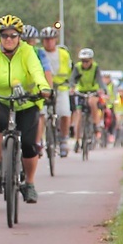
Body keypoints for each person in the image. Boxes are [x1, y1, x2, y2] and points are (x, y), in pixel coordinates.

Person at [0, 14, 51, 203]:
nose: (8, 39)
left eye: (13, 35)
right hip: (0, 99)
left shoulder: (28, 51)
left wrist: (44, 87)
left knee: (30, 145)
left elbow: (37, 71)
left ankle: (29, 184)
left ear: (19, 37)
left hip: (27, 100)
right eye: (4, 35)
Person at [39, 26, 72, 157]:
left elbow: (70, 69)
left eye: (51, 39)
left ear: (56, 40)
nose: (49, 42)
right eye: (46, 39)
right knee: (40, 115)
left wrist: (69, 82)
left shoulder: (63, 53)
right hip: (43, 89)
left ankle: (63, 139)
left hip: (61, 88)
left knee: (64, 113)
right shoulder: (39, 53)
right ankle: (39, 142)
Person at [21, 24, 52, 156]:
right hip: (16, 91)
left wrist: (48, 90)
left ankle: (37, 142)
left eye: (31, 41)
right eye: (25, 41)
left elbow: (47, 72)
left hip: (35, 92)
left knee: (40, 114)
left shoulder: (39, 53)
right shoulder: (16, 52)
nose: (28, 44)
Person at [69, 47, 106, 152]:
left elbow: (100, 80)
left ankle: (95, 124)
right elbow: (72, 79)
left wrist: (102, 89)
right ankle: (77, 141)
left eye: (87, 61)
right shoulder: (77, 67)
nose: (85, 63)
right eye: (83, 61)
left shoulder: (95, 67)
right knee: (79, 115)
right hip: (81, 92)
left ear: (91, 60)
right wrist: (72, 88)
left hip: (93, 91)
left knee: (92, 102)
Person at [101, 71, 116, 142]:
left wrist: (111, 99)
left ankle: (111, 133)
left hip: (110, 105)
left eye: (107, 78)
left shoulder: (112, 86)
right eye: (104, 78)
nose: (106, 80)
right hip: (101, 105)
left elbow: (115, 95)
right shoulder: (101, 85)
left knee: (112, 119)